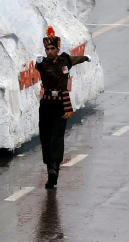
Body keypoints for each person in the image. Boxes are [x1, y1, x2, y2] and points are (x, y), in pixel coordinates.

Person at [35, 26, 91, 189]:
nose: (49, 51)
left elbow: (75, 59)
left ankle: (55, 168)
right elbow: (38, 67)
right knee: (45, 137)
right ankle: (50, 170)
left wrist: (86, 57)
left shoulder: (65, 60)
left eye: (52, 48)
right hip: (46, 103)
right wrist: (38, 62)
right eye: (47, 49)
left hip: (61, 104)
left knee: (57, 136)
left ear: (58, 49)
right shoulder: (43, 63)